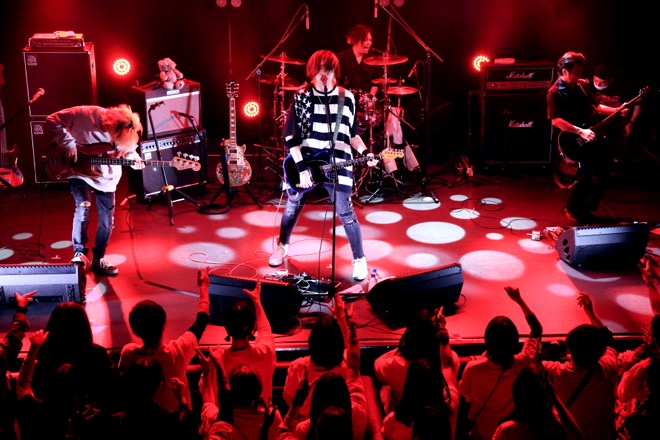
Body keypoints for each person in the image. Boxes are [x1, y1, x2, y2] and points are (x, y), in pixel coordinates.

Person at [268, 49, 377, 281]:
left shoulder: (347, 98)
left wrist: (366, 152)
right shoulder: (301, 97)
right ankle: (282, 246)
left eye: (329, 72)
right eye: (320, 72)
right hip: (305, 161)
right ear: (313, 73)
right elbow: (290, 137)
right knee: (292, 206)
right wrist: (301, 168)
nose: (324, 77)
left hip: (338, 162)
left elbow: (353, 135)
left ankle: (360, 260)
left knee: (346, 211)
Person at [46, 104, 145, 276]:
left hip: (107, 177)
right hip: (78, 170)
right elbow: (52, 119)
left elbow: (129, 151)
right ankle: (79, 254)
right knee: (83, 209)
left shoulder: (128, 131)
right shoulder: (83, 114)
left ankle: (99, 258)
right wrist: (69, 144)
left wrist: (134, 160)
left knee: (106, 221)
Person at [547, 52, 626, 226]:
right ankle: (572, 209)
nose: (579, 76)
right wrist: (580, 131)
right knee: (585, 174)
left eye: (580, 72)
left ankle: (586, 209)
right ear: (564, 70)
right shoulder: (554, 92)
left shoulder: (582, 85)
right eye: (575, 72)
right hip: (574, 138)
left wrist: (617, 110)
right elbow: (556, 121)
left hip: (592, 135)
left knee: (604, 173)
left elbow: (596, 107)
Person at [118, 266, 210, 411]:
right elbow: (201, 322)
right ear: (165, 325)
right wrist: (204, 288)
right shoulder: (177, 352)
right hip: (177, 422)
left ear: (135, 331)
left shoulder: (128, 354)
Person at [457, 287, 543, 440]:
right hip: (511, 433)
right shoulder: (525, 363)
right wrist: (519, 300)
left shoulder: (473, 368)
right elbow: (536, 329)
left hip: (483, 431)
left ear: (487, 341)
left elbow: (464, 392)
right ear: (515, 341)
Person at [542, 293, 618, 440]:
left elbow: (534, 363)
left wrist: (555, 346)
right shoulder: (609, 367)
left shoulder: (557, 372)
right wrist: (591, 313)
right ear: (601, 350)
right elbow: (609, 342)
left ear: (569, 350)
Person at [207, 281, 277, 406]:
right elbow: (265, 330)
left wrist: (207, 370)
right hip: (261, 417)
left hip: (227, 418)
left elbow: (206, 393)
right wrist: (257, 301)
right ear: (253, 328)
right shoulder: (265, 353)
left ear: (227, 328)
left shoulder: (217, 361)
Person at [588, 62, 644, 167]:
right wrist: (618, 110)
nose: (598, 84)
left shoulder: (622, 87)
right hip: (595, 122)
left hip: (617, 123)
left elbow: (638, 103)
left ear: (611, 80)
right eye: (596, 80)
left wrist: (631, 123)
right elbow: (596, 108)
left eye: (602, 82)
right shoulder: (588, 86)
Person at [336, 24, 380, 97]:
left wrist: (370, 98)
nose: (369, 43)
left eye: (370, 40)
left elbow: (376, 82)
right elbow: (336, 82)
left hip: (366, 100)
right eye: (365, 40)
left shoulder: (373, 59)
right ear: (355, 40)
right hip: (345, 98)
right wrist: (342, 101)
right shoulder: (341, 58)